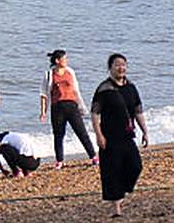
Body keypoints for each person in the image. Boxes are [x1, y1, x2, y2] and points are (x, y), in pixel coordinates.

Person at [89, 53, 147, 217]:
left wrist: (145, 131)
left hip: (128, 135)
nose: (121, 68)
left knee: (136, 166)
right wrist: (98, 135)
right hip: (110, 137)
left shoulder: (131, 87)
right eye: (117, 65)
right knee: (112, 171)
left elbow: (138, 110)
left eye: (123, 64)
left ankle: (123, 190)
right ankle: (116, 208)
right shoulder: (104, 89)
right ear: (110, 68)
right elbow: (95, 113)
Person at [44, 49, 97, 166]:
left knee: (81, 132)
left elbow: (76, 90)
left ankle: (93, 157)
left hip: (72, 106)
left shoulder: (70, 72)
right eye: (64, 59)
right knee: (58, 135)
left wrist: (81, 106)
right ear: (57, 61)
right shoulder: (49, 74)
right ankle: (59, 161)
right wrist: (43, 111)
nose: (66, 61)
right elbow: (44, 93)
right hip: (57, 107)